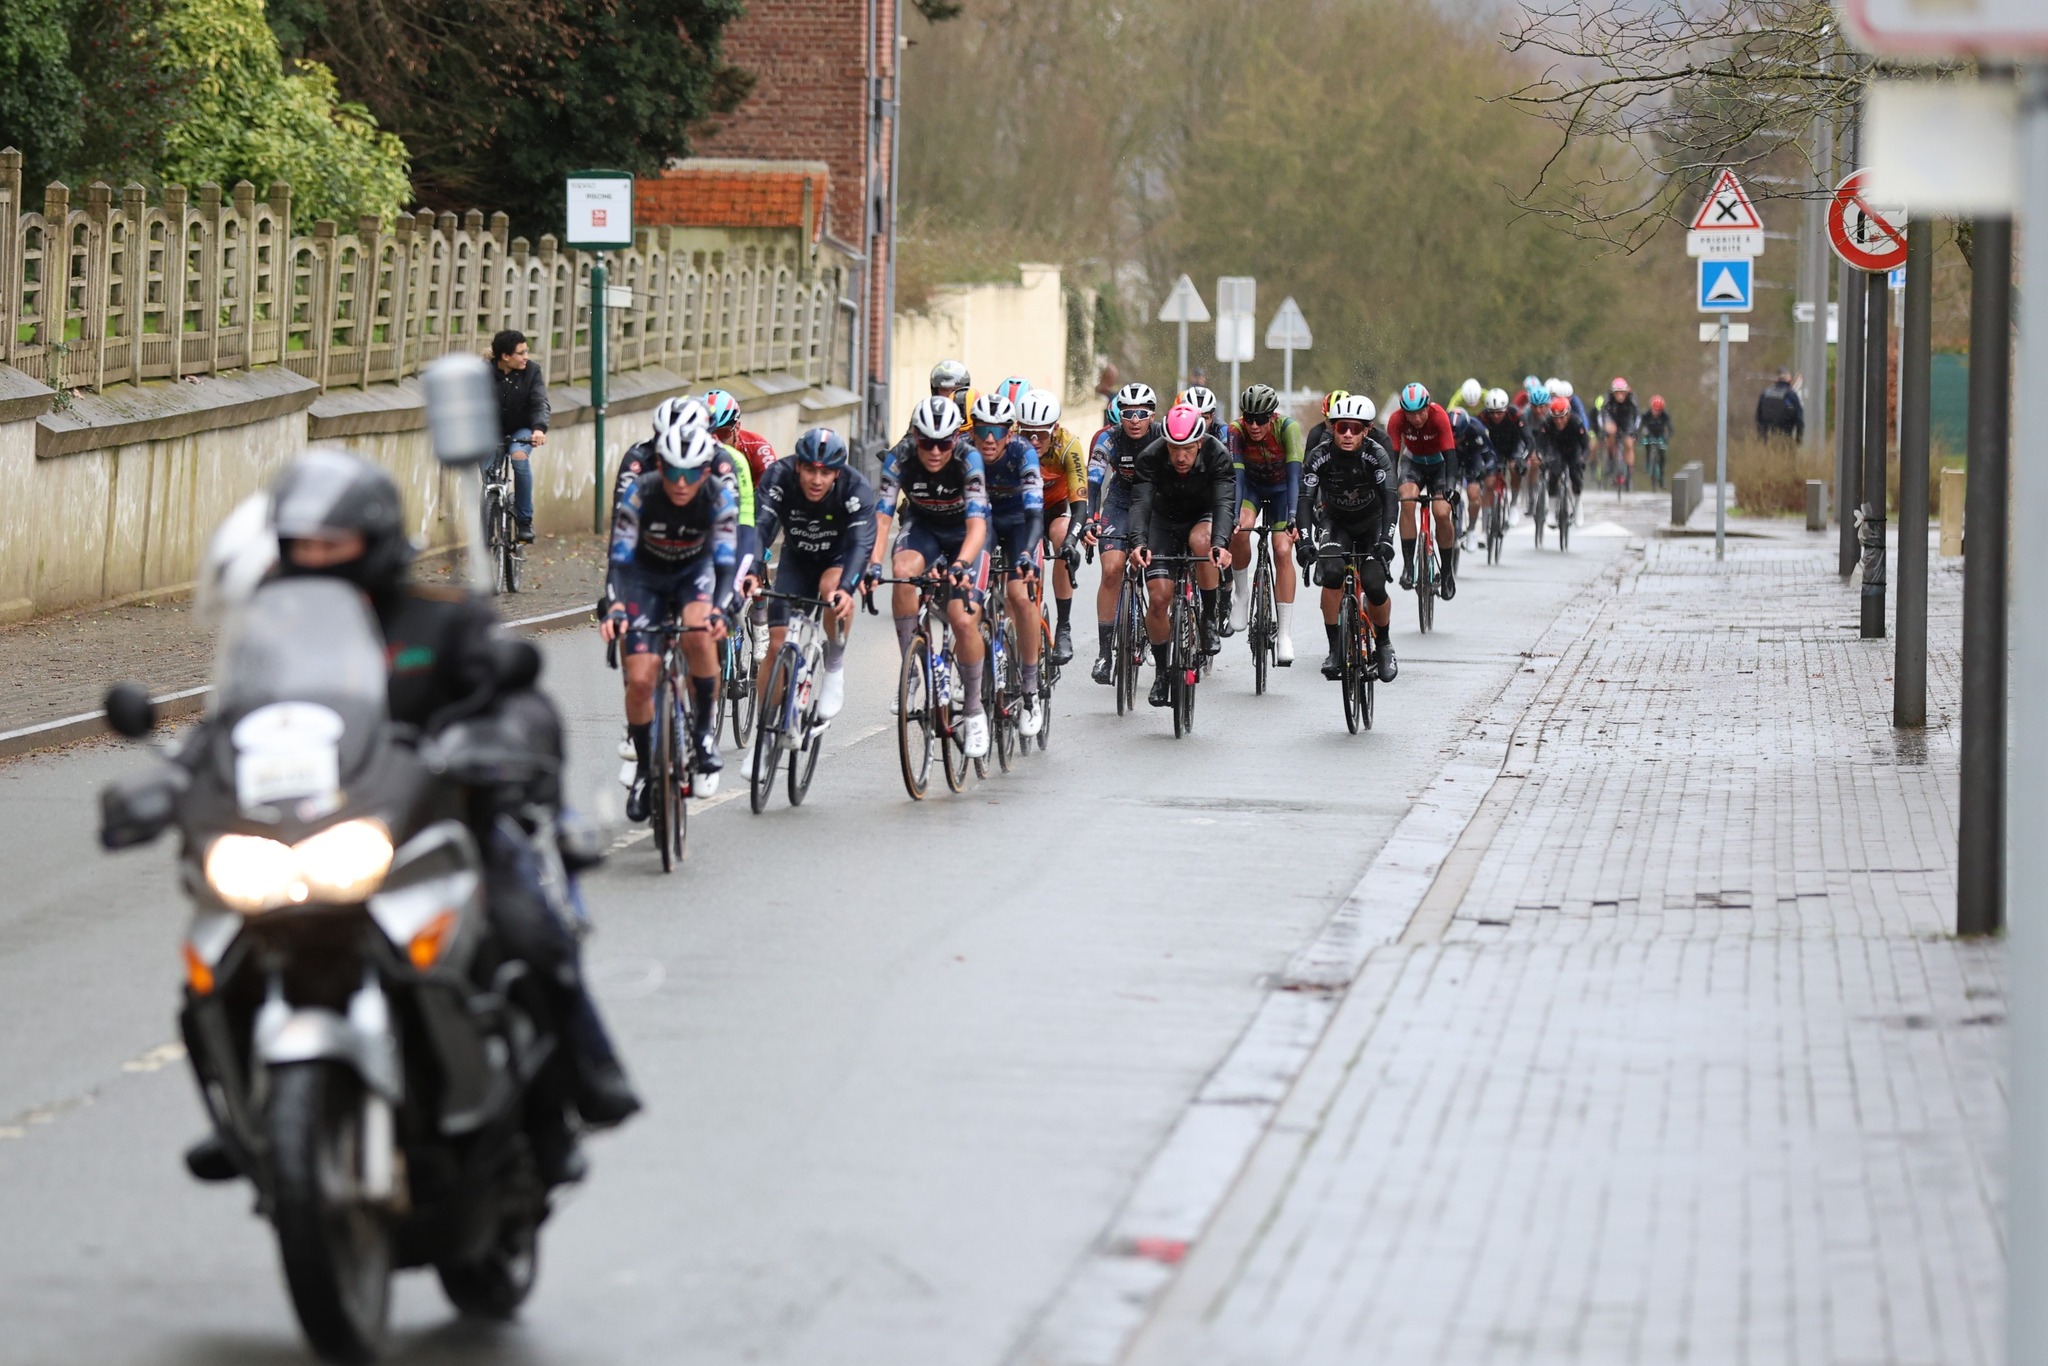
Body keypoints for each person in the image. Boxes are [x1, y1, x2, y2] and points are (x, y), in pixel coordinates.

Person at [180, 448, 640, 1189]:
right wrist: (174, 777)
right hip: (311, 831)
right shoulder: (274, 634)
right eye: (304, 546)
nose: (318, 559)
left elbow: (515, 699)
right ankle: (243, 1110)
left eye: (335, 543)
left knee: (526, 926)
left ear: (376, 539)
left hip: (437, 827)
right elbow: (229, 721)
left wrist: (498, 743)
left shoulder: (442, 619)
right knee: (215, 954)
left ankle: (576, 1085)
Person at [603, 425, 739, 814]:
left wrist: (722, 609)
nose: (682, 483)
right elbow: (619, 561)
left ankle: (702, 736)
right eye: (674, 472)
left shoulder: (717, 496)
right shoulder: (640, 491)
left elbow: (726, 565)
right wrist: (614, 606)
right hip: (644, 577)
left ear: (705, 470)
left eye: (692, 472)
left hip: (693, 573)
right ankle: (646, 770)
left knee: (699, 634)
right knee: (641, 679)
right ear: (659, 466)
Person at [869, 395, 993, 759]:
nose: (935, 452)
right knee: (903, 572)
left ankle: (973, 710)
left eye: (944, 443)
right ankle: (911, 673)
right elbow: (882, 517)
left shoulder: (968, 459)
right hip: (923, 526)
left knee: (961, 617)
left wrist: (960, 565)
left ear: (956, 439)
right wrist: (874, 564)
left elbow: (976, 527)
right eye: (926, 443)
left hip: (966, 534)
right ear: (914, 438)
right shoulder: (900, 457)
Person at [744, 428, 876, 762]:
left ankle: (833, 665)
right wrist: (751, 567)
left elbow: (861, 544)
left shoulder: (855, 487)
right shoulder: (779, 475)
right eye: (810, 470)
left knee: (831, 592)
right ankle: (766, 732)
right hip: (797, 558)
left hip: (838, 558)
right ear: (798, 466)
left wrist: (848, 588)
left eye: (825, 472)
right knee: (775, 644)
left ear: (837, 472)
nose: (816, 480)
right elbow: (761, 526)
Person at [1126, 403, 1236, 706]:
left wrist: (1221, 543)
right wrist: (1138, 542)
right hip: (1164, 520)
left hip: (1202, 516)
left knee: (1203, 542)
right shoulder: (1150, 457)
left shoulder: (1217, 454)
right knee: (1159, 598)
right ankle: (1162, 672)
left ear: (1200, 442)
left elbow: (1225, 503)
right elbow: (1140, 504)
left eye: (1187, 448)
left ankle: (1209, 618)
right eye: (1174, 449)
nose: (1181, 457)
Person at [1297, 393, 1399, 683]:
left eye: (1356, 428)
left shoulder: (1376, 454)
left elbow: (1391, 499)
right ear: (1333, 428)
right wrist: (1304, 542)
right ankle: (1334, 649)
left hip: (1372, 523)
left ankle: (1384, 643)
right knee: (1331, 573)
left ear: (1367, 430)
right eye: (1342, 427)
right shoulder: (1321, 455)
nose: (1348, 434)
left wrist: (1387, 540)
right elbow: (1304, 500)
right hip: (1336, 521)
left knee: (1374, 583)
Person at [970, 391, 1048, 738]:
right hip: (982, 524)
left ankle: (1030, 690)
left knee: (1019, 595)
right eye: (983, 429)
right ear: (971, 430)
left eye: (998, 430)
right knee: (966, 598)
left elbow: (1035, 514)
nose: (990, 438)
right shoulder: (963, 452)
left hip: (1020, 524)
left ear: (1010, 431)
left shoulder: (1023, 452)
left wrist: (1029, 553)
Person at [1084, 382, 1161, 685]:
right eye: (1128, 413)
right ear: (1119, 415)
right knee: (1112, 569)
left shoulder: (1163, 437)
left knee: (1158, 572)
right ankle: (1105, 653)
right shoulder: (1109, 438)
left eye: (1141, 413)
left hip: (1156, 502)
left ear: (1152, 415)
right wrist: (1091, 518)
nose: (1134, 420)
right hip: (1119, 500)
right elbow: (1093, 482)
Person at [1225, 382, 1304, 664]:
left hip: (1283, 491)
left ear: (1273, 416)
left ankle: (1284, 634)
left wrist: (1293, 517)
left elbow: (1296, 478)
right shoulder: (1235, 431)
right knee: (1240, 528)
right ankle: (1242, 594)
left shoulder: (1288, 429)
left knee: (1282, 549)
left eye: (1260, 419)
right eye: (1249, 418)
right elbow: (1238, 477)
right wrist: (1234, 515)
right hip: (1253, 489)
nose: (1254, 426)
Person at [1019, 388, 1088, 665]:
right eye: (1027, 434)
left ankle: (1063, 627)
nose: (1034, 441)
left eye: (1042, 435)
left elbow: (1080, 502)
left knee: (1062, 538)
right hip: (1024, 509)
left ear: (1055, 429)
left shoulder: (1068, 445)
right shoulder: (1010, 442)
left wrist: (1072, 540)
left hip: (1055, 508)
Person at [1385, 382, 1461, 598]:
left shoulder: (1439, 416)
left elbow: (1451, 456)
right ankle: (1409, 566)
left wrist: (1452, 487)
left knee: (1441, 512)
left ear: (1428, 407)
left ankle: (1446, 571)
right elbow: (1393, 458)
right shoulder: (1396, 420)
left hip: (1439, 466)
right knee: (1407, 500)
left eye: (1420, 413)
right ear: (1403, 412)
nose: (1416, 419)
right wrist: (1390, 486)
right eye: (1411, 414)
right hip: (1413, 464)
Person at [491, 329, 550, 542]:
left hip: (521, 430)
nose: (526, 357)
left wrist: (539, 429)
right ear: (505, 356)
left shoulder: (532, 371)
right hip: (490, 432)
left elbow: (539, 402)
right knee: (489, 474)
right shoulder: (483, 373)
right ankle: (489, 515)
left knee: (519, 456)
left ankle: (524, 521)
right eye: (521, 353)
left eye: (527, 351)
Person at [704, 388, 777, 485]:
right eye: (708, 433)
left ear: (737, 428)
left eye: (722, 433)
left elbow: (773, 486)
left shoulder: (757, 448)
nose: (716, 440)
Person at [1451, 405, 1497, 550]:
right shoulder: (1443, 427)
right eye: (1453, 437)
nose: (1456, 440)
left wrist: (1486, 470)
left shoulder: (1477, 429)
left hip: (1472, 457)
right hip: (1452, 457)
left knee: (1474, 494)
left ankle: (1471, 530)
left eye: (1459, 437)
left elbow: (1490, 456)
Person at [1479, 387, 1527, 522]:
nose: (1496, 416)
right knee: (1489, 482)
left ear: (1505, 409)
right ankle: (1485, 524)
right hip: (1494, 448)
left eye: (1499, 412)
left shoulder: (1516, 415)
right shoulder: (1482, 417)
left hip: (1514, 446)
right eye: (1492, 413)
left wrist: (1523, 459)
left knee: (1514, 467)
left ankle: (1513, 505)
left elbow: (1528, 440)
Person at [1542, 394, 1591, 513]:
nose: (1558, 421)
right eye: (1555, 418)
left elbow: (1585, 445)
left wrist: (1582, 459)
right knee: (1553, 474)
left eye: (1562, 417)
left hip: (1573, 450)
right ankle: (1552, 510)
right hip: (1556, 450)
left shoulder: (1576, 422)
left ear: (1568, 415)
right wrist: (1543, 457)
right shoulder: (1548, 423)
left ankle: (1578, 505)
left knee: (1576, 475)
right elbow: (1542, 442)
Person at [1603, 377, 1641, 487]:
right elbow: (1603, 415)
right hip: (1612, 419)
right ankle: (1611, 459)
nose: (1620, 395)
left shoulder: (1631, 398)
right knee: (1611, 432)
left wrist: (1635, 431)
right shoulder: (1608, 398)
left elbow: (1637, 416)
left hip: (1627, 421)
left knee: (1629, 443)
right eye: (1617, 393)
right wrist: (1605, 429)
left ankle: (1629, 473)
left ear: (1626, 392)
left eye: (1622, 393)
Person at [1756, 369, 1804, 442]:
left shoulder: (1765, 393)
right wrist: (1798, 439)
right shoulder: (1791, 395)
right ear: (1789, 380)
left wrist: (1762, 436)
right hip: (1786, 437)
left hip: (1769, 439)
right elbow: (1799, 419)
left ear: (1777, 379)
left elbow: (1758, 416)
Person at [1641, 394, 1674, 485]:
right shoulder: (1646, 414)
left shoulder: (1665, 415)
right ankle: (1647, 462)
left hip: (1660, 435)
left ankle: (1661, 477)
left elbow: (1670, 429)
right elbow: (1640, 426)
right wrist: (1643, 433)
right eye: (1654, 410)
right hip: (1649, 433)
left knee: (1662, 454)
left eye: (1658, 410)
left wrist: (1667, 438)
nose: (1656, 412)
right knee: (1646, 444)